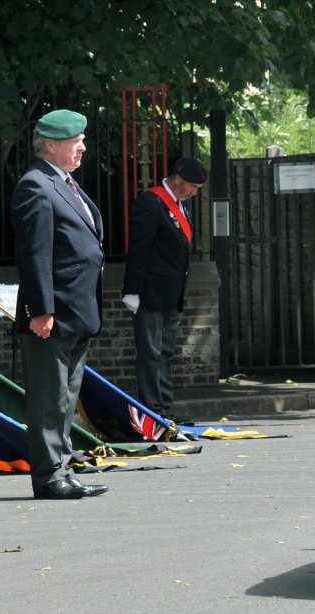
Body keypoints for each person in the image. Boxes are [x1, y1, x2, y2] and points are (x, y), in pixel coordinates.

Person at [11, 109, 109, 500]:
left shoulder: (64, 183)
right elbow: (34, 255)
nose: (83, 146)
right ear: (50, 144)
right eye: (76, 140)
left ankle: (62, 469)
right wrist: (41, 310)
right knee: (49, 399)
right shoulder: (36, 185)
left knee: (66, 399)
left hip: (77, 311)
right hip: (53, 313)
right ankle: (49, 476)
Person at [122, 157, 208, 426]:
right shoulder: (151, 202)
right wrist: (132, 290)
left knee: (165, 352)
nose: (194, 192)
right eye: (192, 186)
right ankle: (151, 409)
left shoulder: (179, 206)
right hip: (150, 292)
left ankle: (163, 408)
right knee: (150, 352)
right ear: (178, 178)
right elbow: (139, 249)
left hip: (171, 293)